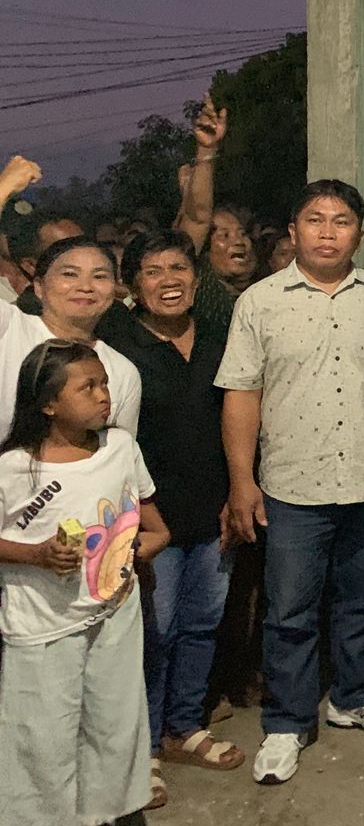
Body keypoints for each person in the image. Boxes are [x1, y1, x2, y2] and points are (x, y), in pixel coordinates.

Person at [215, 179, 364, 786]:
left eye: (342, 220)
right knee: (290, 611)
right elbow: (242, 395)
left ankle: (356, 695)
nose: (328, 232)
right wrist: (242, 481)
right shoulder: (260, 302)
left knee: (363, 600)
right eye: (316, 220)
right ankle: (286, 721)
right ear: (293, 231)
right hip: (291, 485)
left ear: (360, 233)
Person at [98, 230, 242, 808]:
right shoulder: (116, 347)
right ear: (133, 286)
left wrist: (238, 492)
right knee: (152, 634)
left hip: (215, 510)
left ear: (196, 277)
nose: (168, 280)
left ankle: (185, 726)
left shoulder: (218, 341)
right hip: (149, 519)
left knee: (203, 623)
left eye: (178, 267)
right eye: (153, 271)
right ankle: (145, 746)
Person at [0, 340, 170, 825]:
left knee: (115, 723)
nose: (103, 395)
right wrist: (36, 554)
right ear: (48, 404)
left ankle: (111, 810)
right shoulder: (14, 468)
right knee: (42, 736)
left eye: (104, 384)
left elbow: (151, 520)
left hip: (115, 615)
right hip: (44, 626)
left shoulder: (120, 447)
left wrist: (142, 545)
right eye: (87, 387)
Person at [0, 233, 142, 445]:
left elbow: (118, 453)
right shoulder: (8, 325)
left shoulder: (123, 371)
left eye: (100, 276)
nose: (85, 286)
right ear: (39, 286)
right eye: (70, 274)